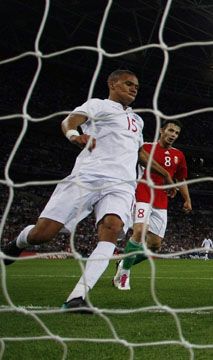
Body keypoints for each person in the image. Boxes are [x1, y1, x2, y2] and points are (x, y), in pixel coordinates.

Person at [1, 70, 174, 312]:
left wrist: (164, 173)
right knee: (44, 233)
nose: (134, 89)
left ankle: (77, 297)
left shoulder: (138, 120)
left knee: (112, 230)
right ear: (112, 84)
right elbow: (70, 121)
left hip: (122, 185)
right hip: (88, 177)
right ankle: (18, 244)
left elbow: (139, 153)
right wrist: (74, 135)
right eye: (128, 84)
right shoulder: (98, 105)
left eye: (136, 86)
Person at [113, 119, 191, 290]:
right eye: (170, 130)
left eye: (176, 133)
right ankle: (124, 277)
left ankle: (123, 263)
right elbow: (140, 160)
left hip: (161, 201)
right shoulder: (146, 147)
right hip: (143, 193)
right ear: (162, 131)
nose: (173, 135)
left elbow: (180, 178)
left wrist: (187, 199)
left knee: (154, 246)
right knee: (140, 231)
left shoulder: (179, 155)